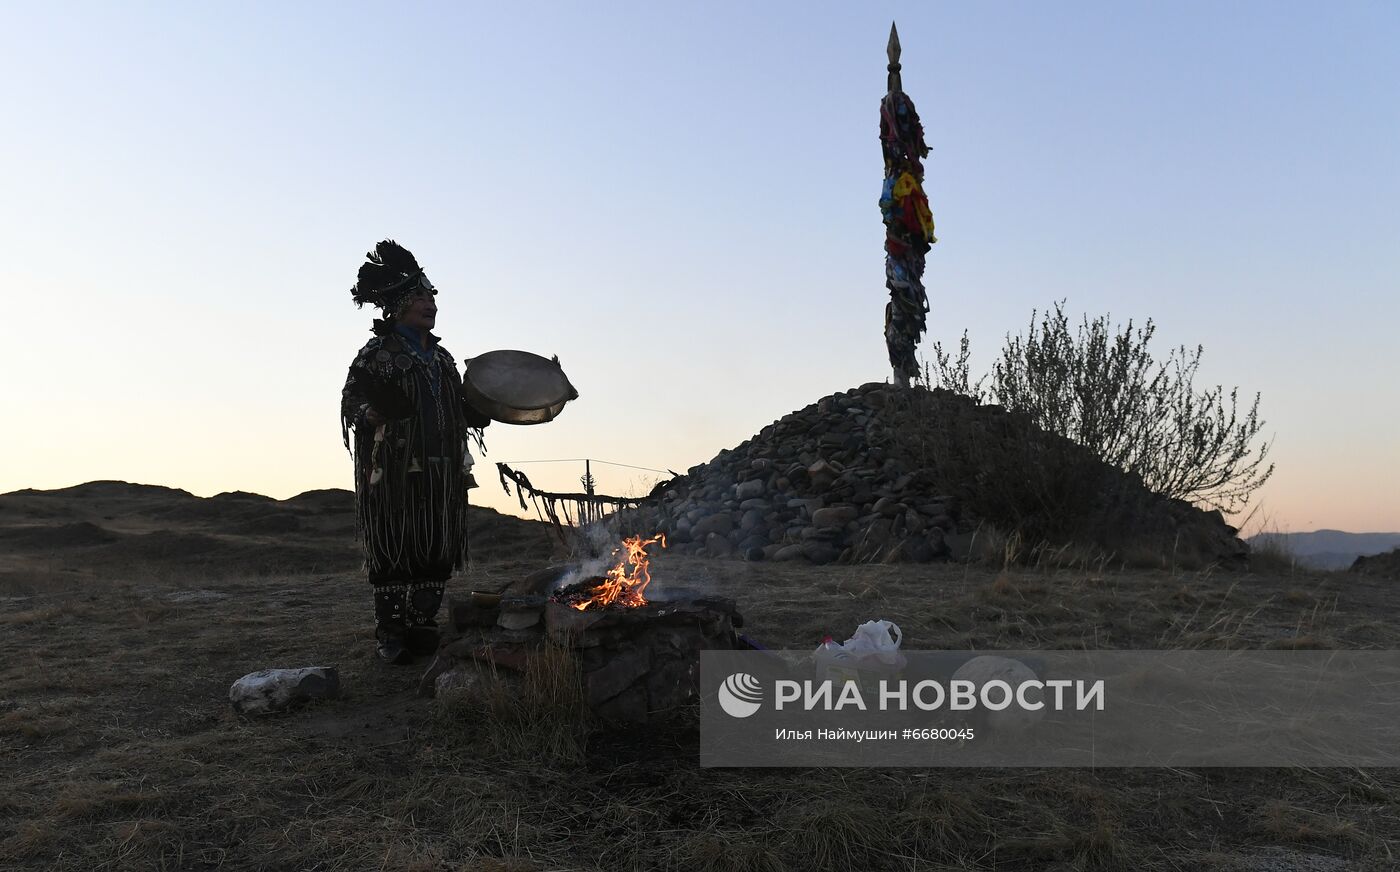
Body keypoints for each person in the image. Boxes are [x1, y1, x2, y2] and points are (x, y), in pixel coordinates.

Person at [340, 240, 491, 664]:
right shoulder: (376, 354)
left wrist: (477, 411)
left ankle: (423, 627)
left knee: (436, 546)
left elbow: (458, 406)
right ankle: (391, 633)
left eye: (432, 297)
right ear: (401, 303)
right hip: (392, 472)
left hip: (443, 470)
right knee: (394, 547)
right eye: (422, 297)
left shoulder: (442, 357)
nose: (431, 303)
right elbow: (350, 402)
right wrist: (370, 413)